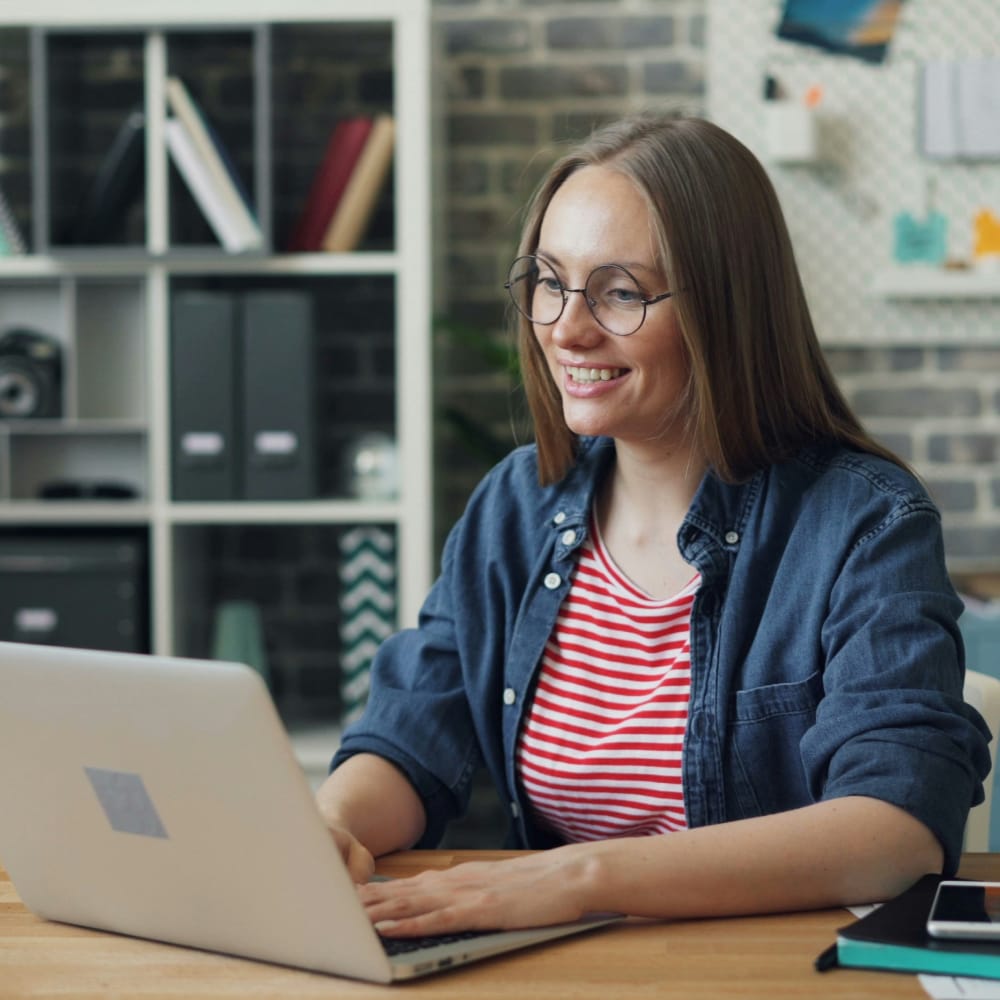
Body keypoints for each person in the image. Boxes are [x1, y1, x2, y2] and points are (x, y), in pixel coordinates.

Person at [316, 113, 992, 937]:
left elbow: (896, 830)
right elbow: (411, 734)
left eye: (621, 292)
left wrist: (581, 877)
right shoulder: (516, 505)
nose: (566, 328)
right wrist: (331, 826)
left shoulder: (864, 521)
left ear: (726, 310)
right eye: (550, 281)